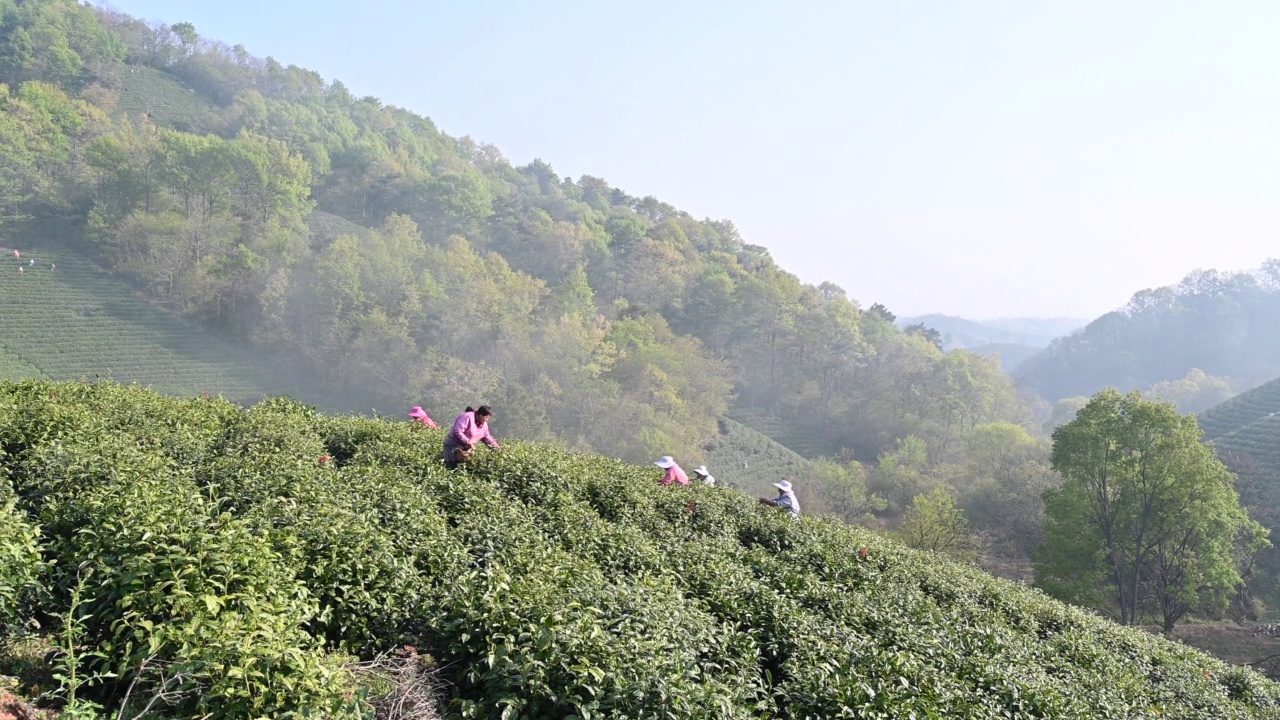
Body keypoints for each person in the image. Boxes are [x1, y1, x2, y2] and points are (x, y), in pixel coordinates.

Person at [443, 405, 500, 470]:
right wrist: (468, 442)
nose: (487, 420)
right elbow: (457, 431)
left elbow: (487, 437)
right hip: (453, 446)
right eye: (486, 417)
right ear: (480, 415)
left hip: (467, 449)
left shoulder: (484, 424)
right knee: (451, 467)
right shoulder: (467, 417)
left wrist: (497, 448)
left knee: (464, 469)